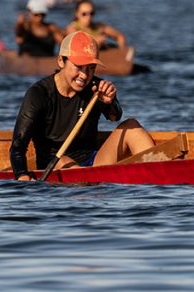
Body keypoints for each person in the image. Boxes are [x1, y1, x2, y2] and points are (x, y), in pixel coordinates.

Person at [10, 30, 155, 180]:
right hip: (55, 166)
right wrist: (22, 177)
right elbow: (17, 147)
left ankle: (160, 176)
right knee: (63, 160)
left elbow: (115, 116)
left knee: (132, 127)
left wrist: (109, 102)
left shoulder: (96, 87)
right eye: (79, 67)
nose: (84, 75)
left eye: (91, 68)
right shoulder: (38, 94)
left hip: (94, 163)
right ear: (61, 61)